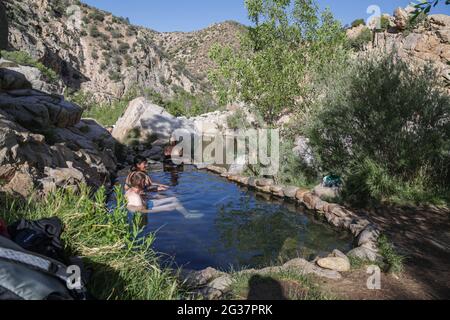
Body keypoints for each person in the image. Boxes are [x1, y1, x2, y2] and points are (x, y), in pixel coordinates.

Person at [125, 171, 201, 218]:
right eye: (144, 181)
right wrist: (163, 209)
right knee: (173, 205)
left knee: (174, 199)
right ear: (141, 182)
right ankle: (187, 215)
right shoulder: (136, 196)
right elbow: (142, 211)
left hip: (147, 203)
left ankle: (187, 212)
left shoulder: (130, 190)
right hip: (146, 208)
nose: (146, 183)